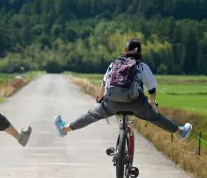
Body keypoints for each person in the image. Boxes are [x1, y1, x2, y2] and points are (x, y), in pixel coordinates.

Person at [53, 38, 193, 140]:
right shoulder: (142, 66)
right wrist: (151, 103)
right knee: (156, 118)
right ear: (140, 53)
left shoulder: (114, 64)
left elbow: (103, 86)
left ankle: (64, 129)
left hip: (112, 104)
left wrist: (99, 100)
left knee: (90, 116)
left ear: (125, 51)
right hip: (137, 105)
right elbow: (151, 89)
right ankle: (181, 131)